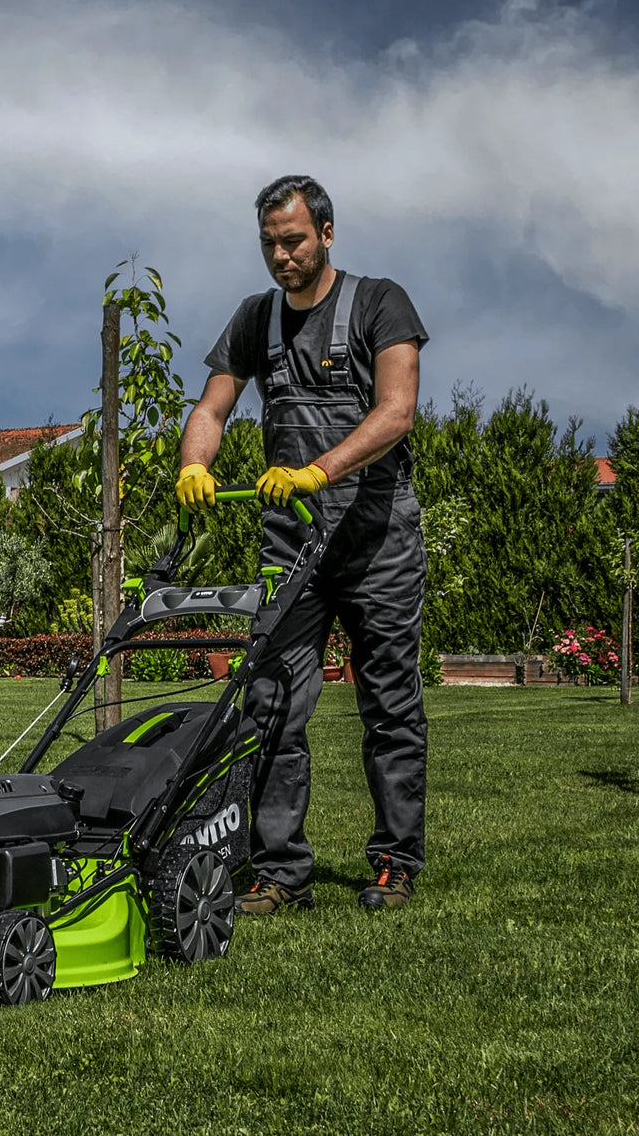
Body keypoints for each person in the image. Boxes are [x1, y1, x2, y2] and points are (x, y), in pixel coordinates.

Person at [176, 175, 429, 912]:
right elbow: (212, 407)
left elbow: (397, 412)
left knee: (389, 704)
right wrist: (195, 463)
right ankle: (280, 873)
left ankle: (395, 863)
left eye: (293, 241)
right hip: (291, 546)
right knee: (272, 704)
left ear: (326, 232)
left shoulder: (380, 303)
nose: (281, 256)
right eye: (269, 245)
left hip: (376, 540)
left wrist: (318, 471)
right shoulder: (255, 319)